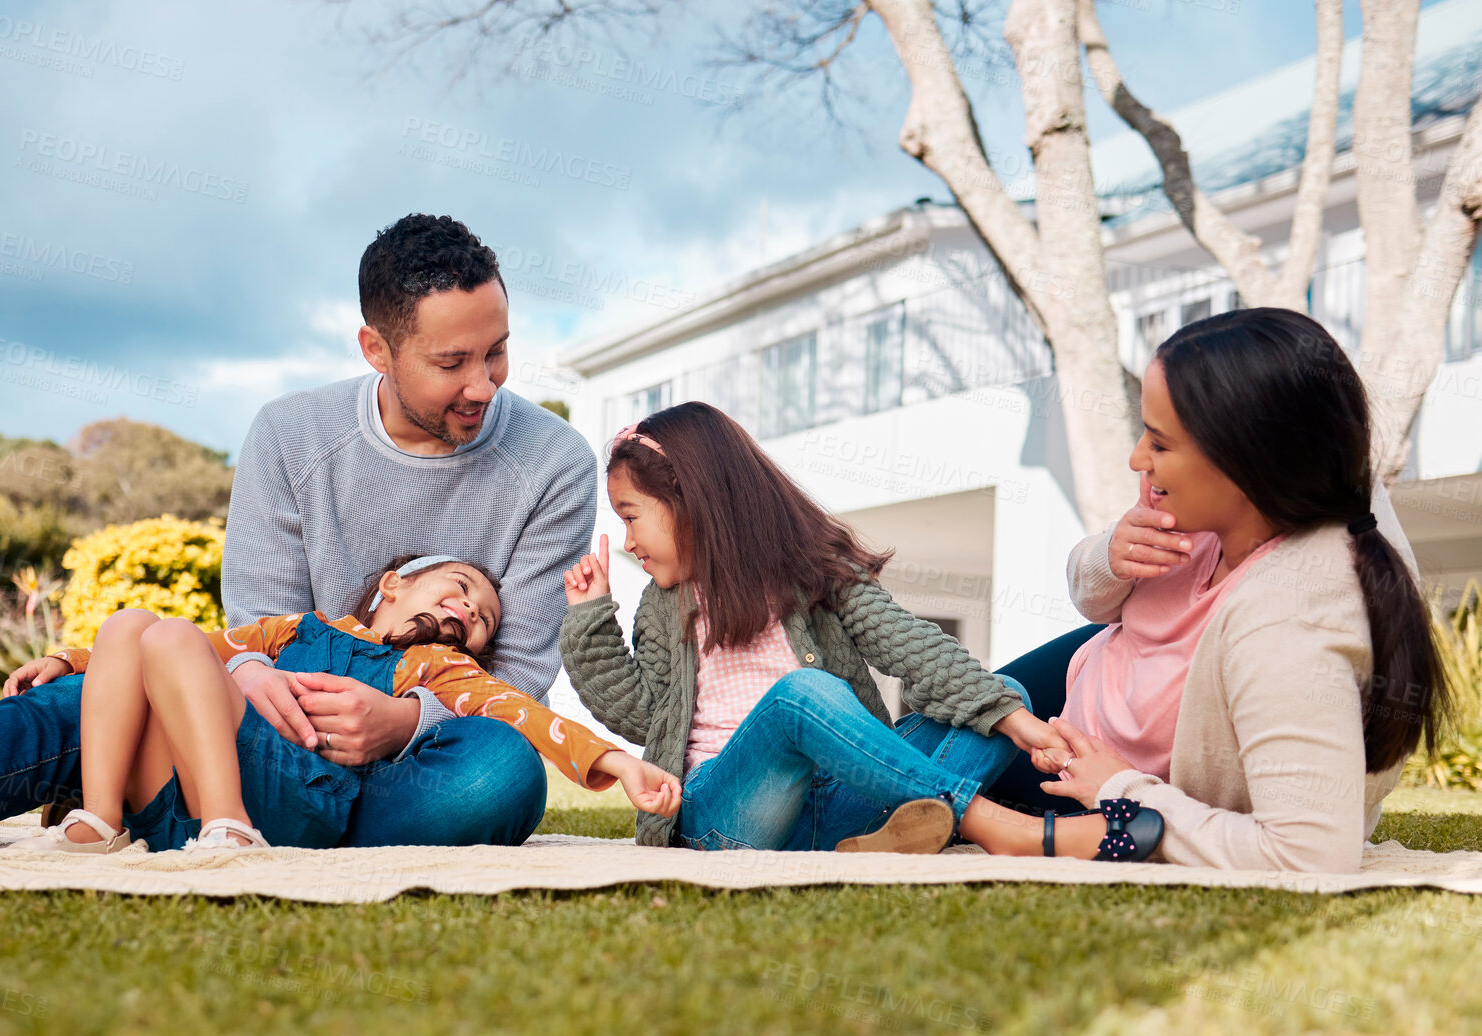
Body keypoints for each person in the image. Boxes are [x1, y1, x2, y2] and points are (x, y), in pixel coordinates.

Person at [0, 213, 597, 852]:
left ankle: (196, 812)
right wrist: (216, 675)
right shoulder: (292, 438)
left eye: (500, 350)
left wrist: (402, 721)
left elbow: (515, 677)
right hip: (260, 729)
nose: (485, 385)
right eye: (453, 360)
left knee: (503, 771)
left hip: (413, 773)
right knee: (89, 693)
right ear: (375, 348)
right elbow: (256, 625)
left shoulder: (550, 464)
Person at [953, 308, 1446, 873]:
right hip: (1091, 680)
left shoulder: (1288, 616)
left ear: (1244, 459)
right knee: (936, 722)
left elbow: (1309, 854)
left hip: (1097, 769)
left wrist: (1120, 789)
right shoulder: (1220, 516)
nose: (1137, 459)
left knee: (893, 774)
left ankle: (1011, 828)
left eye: (1159, 444)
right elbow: (1092, 594)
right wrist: (1113, 551)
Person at [559, 402, 1093, 856]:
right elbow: (648, 718)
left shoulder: (814, 567)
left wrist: (1017, 721)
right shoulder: (661, 607)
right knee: (801, 696)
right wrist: (590, 620)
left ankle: (880, 839)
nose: (628, 542)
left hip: (838, 802)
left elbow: (905, 642)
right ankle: (995, 826)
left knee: (1002, 701)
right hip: (729, 814)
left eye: (630, 517)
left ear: (689, 498)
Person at [14, 554, 678, 853]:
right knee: (134, 625)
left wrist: (616, 765)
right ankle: (102, 820)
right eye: (460, 587)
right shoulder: (298, 629)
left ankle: (230, 828)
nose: (468, 611)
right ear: (393, 584)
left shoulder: (436, 666)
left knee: (172, 637)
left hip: (299, 793)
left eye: (479, 620)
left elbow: (525, 716)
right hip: (170, 794)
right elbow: (197, 648)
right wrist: (64, 660)